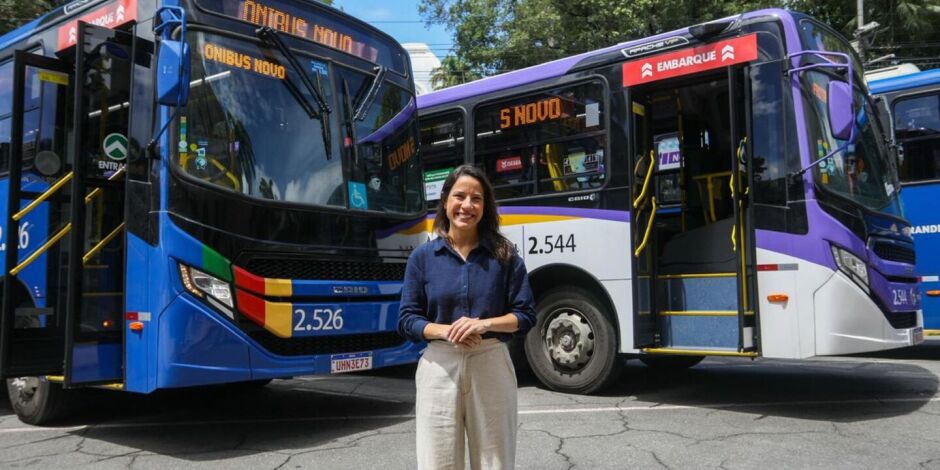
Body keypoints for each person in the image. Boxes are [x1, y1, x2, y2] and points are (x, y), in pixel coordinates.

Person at [398, 164, 536, 470]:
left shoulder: (504, 255)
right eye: (460, 196)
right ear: (445, 201)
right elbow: (407, 319)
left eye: (477, 198)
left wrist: (484, 323)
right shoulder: (422, 258)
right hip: (439, 366)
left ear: (485, 207)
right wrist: (447, 331)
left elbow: (525, 314)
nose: (467, 205)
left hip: (491, 362)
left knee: (495, 461)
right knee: (438, 462)